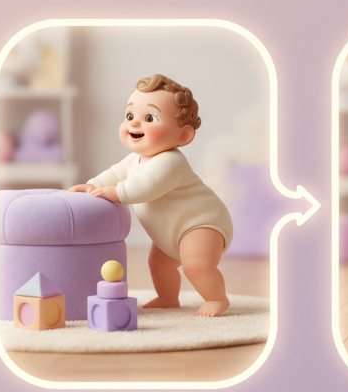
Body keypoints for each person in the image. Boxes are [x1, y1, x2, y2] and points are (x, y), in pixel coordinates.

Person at [69, 74, 234, 317]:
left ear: (183, 136)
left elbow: (147, 186)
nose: (135, 124)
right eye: (129, 116)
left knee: (196, 265)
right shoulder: (135, 159)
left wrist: (116, 193)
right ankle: (168, 297)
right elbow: (115, 173)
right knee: (158, 264)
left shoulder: (171, 162)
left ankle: (217, 299)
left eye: (150, 118)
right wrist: (92, 184)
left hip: (201, 224)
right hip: (170, 233)